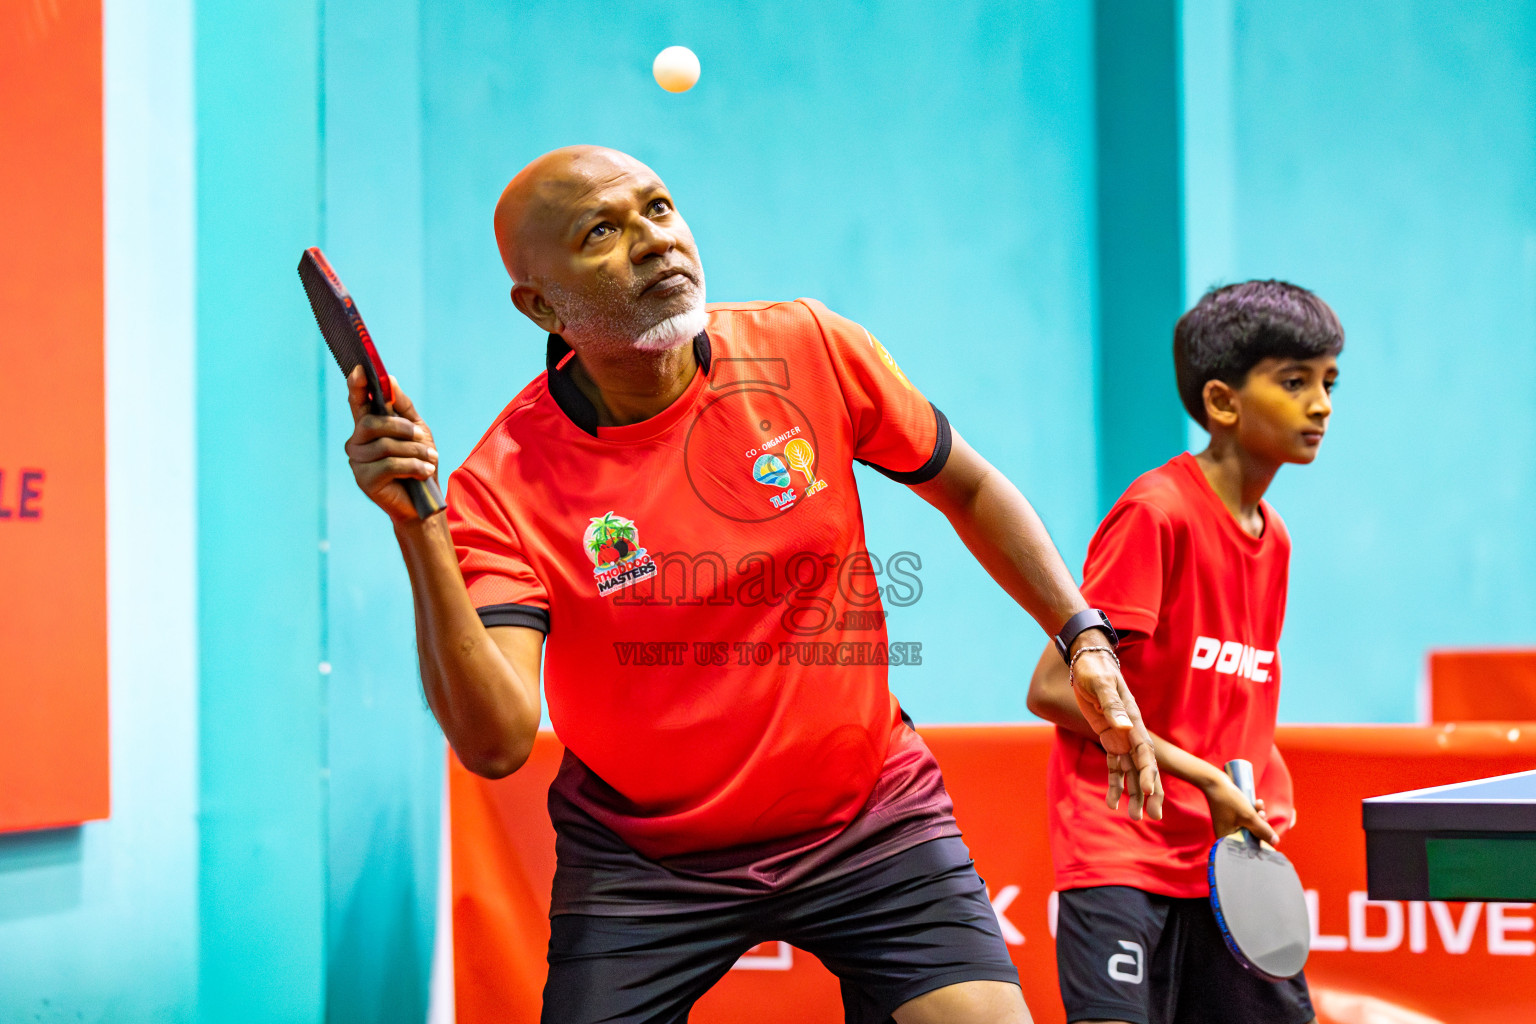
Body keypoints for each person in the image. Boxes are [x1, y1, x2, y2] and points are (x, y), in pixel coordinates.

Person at [342, 144, 1162, 1024]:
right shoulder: (505, 484)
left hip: (866, 820)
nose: (653, 240)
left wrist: (1081, 634)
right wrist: (419, 525)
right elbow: (496, 743)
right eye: (600, 233)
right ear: (541, 305)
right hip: (644, 858)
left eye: (658, 208)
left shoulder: (807, 346)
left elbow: (968, 486)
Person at [1026, 280, 1343, 1024]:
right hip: (1123, 850)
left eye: (1328, 383)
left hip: (1225, 860)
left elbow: (1234, 685)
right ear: (1223, 402)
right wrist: (1204, 776)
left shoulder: (1275, 538)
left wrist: (1255, 785)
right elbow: (1054, 688)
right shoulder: (1158, 514)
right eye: (1294, 382)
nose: (1321, 405)